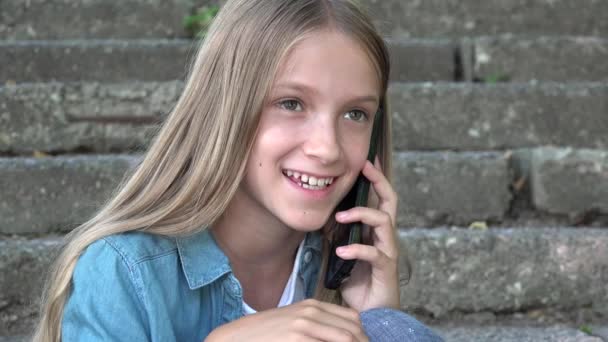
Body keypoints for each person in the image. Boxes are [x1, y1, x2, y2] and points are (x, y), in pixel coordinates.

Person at [33, 0, 444, 341]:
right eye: (291, 103)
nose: (327, 148)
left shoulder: (344, 272)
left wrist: (381, 323)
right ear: (226, 109)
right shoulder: (127, 272)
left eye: (355, 113)